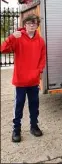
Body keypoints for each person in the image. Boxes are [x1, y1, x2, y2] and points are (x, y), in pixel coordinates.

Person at [1, 14, 46, 143]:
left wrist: (39, 71)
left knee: (34, 105)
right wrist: (11, 38)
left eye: (34, 23)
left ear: (37, 25)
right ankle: (16, 129)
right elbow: (3, 49)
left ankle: (34, 126)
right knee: (19, 105)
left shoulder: (40, 41)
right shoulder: (17, 38)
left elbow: (42, 59)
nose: (32, 25)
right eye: (29, 23)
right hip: (20, 81)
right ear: (24, 25)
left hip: (33, 81)